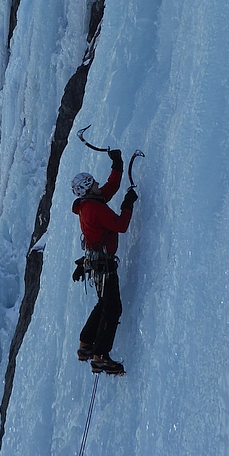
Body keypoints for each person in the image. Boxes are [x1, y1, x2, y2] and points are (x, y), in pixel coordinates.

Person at [71, 148, 137, 374]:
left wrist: (117, 165)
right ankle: (100, 355)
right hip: (104, 266)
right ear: (88, 189)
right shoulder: (94, 209)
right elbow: (120, 225)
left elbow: (110, 187)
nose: (98, 184)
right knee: (113, 307)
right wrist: (128, 204)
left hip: (97, 263)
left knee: (104, 304)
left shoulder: (90, 204)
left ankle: (86, 343)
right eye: (94, 183)